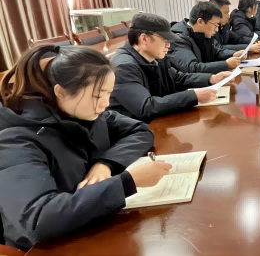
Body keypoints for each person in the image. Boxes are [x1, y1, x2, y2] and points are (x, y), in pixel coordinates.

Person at [0, 45, 171, 250]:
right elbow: (39, 220)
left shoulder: (84, 113)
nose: (105, 104)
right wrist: (126, 183)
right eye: (97, 96)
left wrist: (105, 164)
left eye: (108, 93)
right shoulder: (16, 141)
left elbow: (140, 131)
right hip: (51, 247)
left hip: (91, 225)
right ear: (61, 92)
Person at [109, 13, 232, 122]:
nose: (168, 44)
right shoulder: (123, 67)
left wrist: (211, 78)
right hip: (135, 131)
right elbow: (146, 107)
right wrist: (193, 96)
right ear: (144, 38)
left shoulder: (153, 56)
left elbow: (177, 78)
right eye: (164, 39)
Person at [169, 2, 243, 73]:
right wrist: (225, 65)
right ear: (200, 22)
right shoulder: (178, 38)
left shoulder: (203, 32)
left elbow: (217, 51)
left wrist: (234, 54)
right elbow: (192, 68)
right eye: (215, 25)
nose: (217, 30)